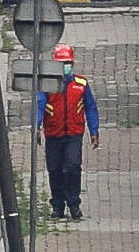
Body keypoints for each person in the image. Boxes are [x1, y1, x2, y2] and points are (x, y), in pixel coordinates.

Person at [41, 47, 100, 217]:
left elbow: (91, 108)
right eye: (61, 63)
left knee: (72, 167)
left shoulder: (81, 84)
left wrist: (94, 131)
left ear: (72, 64)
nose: (64, 66)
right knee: (54, 169)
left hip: (74, 134)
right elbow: (39, 105)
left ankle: (74, 204)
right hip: (53, 134)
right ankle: (57, 205)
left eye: (67, 63)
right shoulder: (47, 85)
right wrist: (37, 127)